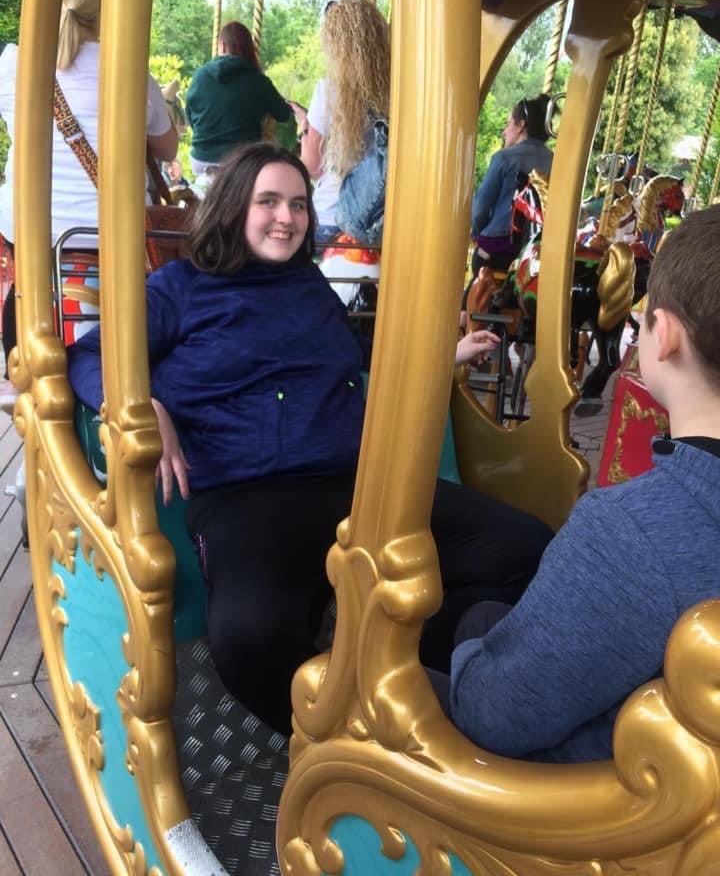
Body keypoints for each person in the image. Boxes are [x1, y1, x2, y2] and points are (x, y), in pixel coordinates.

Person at [67, 141, 552, 735]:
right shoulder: (181, 289)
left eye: (298, 204)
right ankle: (326, 740)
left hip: (354, 484)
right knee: (249, 636)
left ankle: (408, 672)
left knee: (526, 549)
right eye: (268, 201)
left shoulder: (309, 287)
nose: (287, 217)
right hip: (246, 496)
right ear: (233, 206)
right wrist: (142, 403)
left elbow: (353, 351)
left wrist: (442, 354)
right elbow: (89, 355)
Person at [441, 205, 720, 762]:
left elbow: (494, 715)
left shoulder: (627, 532)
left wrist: (469, 656)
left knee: (412, 669)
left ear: (664, 336)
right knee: (488, 613)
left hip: (599, 793)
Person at [0, 0, 177, 382]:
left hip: (33, 239)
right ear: (103, 5)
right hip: (112, 237)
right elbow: (168, 148)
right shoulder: (130, 73)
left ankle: (19, 373)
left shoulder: (13, 64)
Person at [290, 0, 391, 246]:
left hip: (332, 218)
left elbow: (312, 166)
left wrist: (305, 127)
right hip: (382, 223)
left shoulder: (329, 90)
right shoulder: (395, 93)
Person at [185, 21, 292, 174]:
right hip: (241, 163)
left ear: (222, 46)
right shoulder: (258, 81)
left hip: (201, 159)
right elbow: (284, 115)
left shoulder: (200, 75)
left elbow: (190, 116)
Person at [470, 94, 553, 272]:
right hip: (538, 251)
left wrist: (477, 234)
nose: (504, 131)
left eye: (508, 124)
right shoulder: (556, 161)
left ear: (521, 125)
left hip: (499, 248)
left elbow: (480, 209)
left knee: (478, 266)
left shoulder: (503, 158)